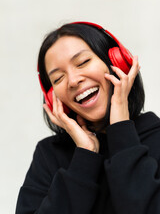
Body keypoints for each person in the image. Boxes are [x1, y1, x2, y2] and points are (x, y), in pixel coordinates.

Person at [15, 22, 160, 214]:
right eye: (58, 78)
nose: (73, 81)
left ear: (116, 62)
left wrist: (121, 129)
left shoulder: (156, 136)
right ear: (53, 99)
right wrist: (85, 157)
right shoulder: (49, 154)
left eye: (82, 62)